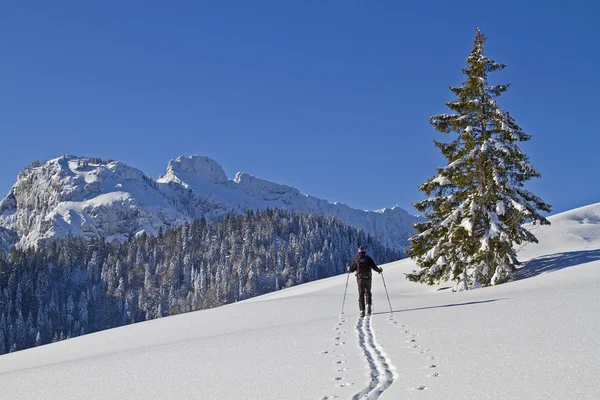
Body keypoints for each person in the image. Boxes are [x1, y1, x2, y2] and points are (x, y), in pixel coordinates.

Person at [348, 246, 383, 317]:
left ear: (359, 252)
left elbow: (352, 269)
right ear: (364, 251)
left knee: (361, 294)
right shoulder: (368, 258)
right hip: (368, 278)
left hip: (360, 279)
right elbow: (374, 267)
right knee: (368, 292)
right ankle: (368, 306)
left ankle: (362, 311)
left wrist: (349, 269)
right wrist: (379, 270)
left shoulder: (357, 259)